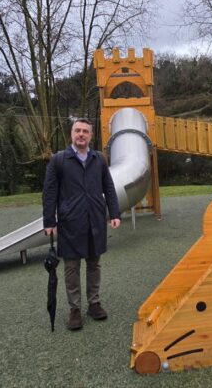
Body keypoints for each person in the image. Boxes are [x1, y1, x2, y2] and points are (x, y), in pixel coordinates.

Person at [42, 118, 121, 331]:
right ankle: (75, 309)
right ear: (71, 134)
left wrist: (114, 213)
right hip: (70, 221)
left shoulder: (99, 159)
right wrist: (49, 220)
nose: (81, 134)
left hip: (95, 218)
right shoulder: (59, 160)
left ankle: (94, 304)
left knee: (94, 264)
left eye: (85, 131)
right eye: (77, 130)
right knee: (71, 267)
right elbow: (49, 193)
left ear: (90, 135)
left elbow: (109, 187)